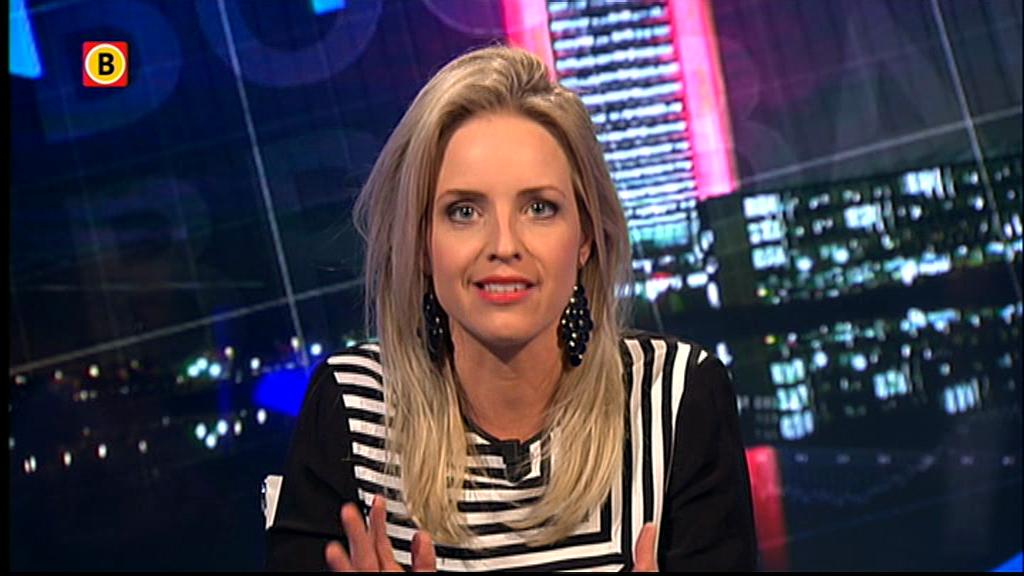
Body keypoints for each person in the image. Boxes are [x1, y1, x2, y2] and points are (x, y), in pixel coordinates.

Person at [264, 44, 758, 571]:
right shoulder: (352, 404)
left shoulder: (677, 396)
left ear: (586, 236)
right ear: (420, 243)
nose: (504, 244)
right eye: (464, 211)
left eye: (539, 208)